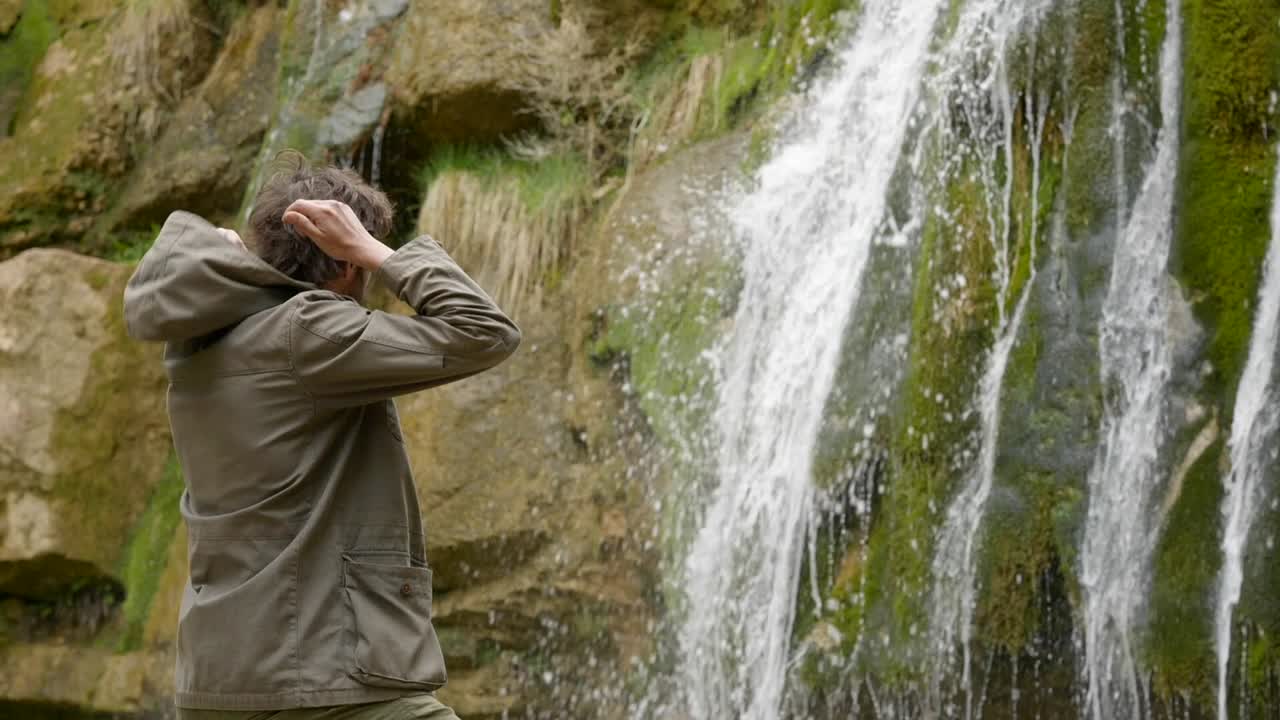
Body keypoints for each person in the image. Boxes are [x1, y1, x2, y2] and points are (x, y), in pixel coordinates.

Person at [123, 151, 521, 720]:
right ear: (344, 260)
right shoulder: (309, 331)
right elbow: (485, 332)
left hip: (219, 681)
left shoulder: (199, 344)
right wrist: (378, 252)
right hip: (322, 679)